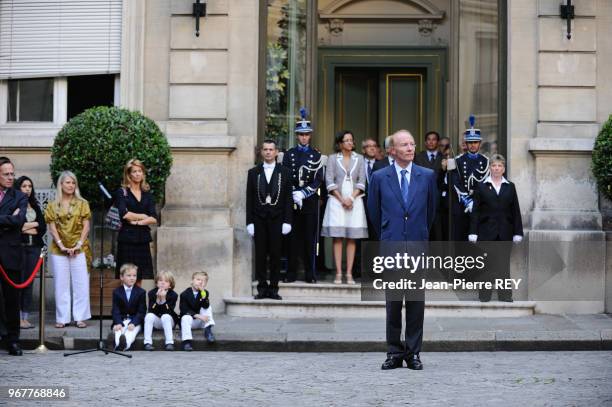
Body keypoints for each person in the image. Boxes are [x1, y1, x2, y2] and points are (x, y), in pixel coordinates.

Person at [367, 130, 437, 370]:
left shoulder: (427, 176)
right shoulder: (379, 177)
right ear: (392, 150)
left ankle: (413, 352)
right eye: (404, 145)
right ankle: (394, 352)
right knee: (394, 303)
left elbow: (431, 212)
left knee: (416, 303)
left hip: (417, 246)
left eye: (412, 143)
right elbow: (374, 214)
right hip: (392, 246)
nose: (410, 148)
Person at [469, 154, 523, 302]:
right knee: (486, 265)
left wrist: (518, 232)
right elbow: (476, 211)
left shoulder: (510, 186)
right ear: (490, 168)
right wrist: (473, 232)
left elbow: (515, 210)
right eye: (494, 165)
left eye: (499, 166)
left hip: (505, 232)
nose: (496, 168)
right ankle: (484, 296)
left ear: (503, 169)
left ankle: (505, 296)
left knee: (503, 265)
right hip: (486, 232)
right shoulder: (481, 186)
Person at [45, 170, 92, 329]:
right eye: (67, 182)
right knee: (61, 284)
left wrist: (78, 245)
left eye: (73, 182)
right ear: (61, 184)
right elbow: (52, 228)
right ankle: (62, 317)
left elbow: (86, 226)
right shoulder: (52, 205)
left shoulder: (83, 203)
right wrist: (62, 246)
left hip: (79, 248)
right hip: (59, 249)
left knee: (81, 283)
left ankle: (80, 317)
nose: (71, 185)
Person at [246, 140, 293, 300]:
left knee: (275, 254)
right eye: (265, 149)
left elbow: (288, 199)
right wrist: (249, 222)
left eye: (271, 149)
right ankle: (261, 288)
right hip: (258, 219)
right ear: (261, 152)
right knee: (260, 255)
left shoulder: (285, 172)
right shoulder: (253, 172)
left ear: (276, 152)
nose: (268, 152)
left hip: (278, 219)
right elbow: (249, 199)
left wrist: (288, 221)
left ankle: (273, 288)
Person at [282, 108, 324, 283]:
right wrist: (294, 193)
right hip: (292, 202)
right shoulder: (289, 154)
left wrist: (304, 193)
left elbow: (318, 179)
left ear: (310, 135)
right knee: (292, 239)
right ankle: (290, 273)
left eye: (307, 134)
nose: (304, 137)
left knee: (309, 239)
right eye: (301, 134)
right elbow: (284, 176)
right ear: (297, 135)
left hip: (309, 202)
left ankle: (310, 273)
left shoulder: (317, 155)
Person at [321, 130, 368, 284]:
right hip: (336, 200)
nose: (350, 142)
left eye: (351, 140)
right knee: (338, 237)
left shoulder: (360, 158)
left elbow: (362, 181)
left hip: (355, 200)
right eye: (346, 140)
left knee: (352, 237)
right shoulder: (333, 158)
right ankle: (339, 274)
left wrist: (351, 198)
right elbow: (329, 180)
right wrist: (342, 199)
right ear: (340, 143)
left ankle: (349, 274)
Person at [0, 157, 27, 356]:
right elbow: (11, 219)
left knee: (12, 300)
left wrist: (12, 219)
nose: (10, 178)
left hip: (10, 253)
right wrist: (8, 219)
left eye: (12, 174)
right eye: (6, 174)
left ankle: (13, 339)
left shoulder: (19, 196)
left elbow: (18, 220)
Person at [115, 159, 158, 282]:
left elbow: (153, 217)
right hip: (127, 239)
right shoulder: (122, 192)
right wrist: (144, 216)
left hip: (143, 239)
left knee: (139, 277)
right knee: (126, 276)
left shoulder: (147, 194)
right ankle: (125, 301)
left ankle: (137, 301)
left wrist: (138, 221)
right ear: (129, 174)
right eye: (135, 171)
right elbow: (124, 214)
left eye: (140, 171)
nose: (138, 174)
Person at [449, 116, 490, 241]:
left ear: (480, 143)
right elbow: (455, 182)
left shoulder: (486, 161)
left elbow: (487, 183)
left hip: (480, 205)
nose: (473, 145)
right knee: (461, 241)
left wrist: (477, 201)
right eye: (470, 142)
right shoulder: (458, 160)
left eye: (475, 142)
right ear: (466, 144)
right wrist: (467, 200)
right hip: (463, 205)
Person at [15, 176, 46, 330]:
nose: (27, 189)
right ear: (18, 188)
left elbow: (42, 227)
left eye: (30, 186)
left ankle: (25, 317)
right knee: (18, 282)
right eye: (24, 186)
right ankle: (16, 317)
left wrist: (26, 225)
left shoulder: (35, 205)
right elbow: (15, 226)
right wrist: (31, 226)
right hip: (19, 247)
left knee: (29, 283)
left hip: (34, 248)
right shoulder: (13, 204)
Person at [414, 131, 445, 241]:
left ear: (438, 142)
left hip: (439, 199)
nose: (431, 142)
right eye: (429, 139)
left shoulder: (444, 157)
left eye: (434, 139)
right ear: (425, 142)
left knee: (438, 231)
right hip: (421, 198)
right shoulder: (417, 157)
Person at [111, 263, 146, 351]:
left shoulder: (141, 292)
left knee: (131, 332)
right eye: (129, 275)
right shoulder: (116, 292)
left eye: (134, 275)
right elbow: (115, 310)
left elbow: (141, 311)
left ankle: (124, 345)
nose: (132, 278)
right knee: (118, 330)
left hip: (134, 321)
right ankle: (117, 344)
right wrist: (118, 322)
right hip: (122, 319)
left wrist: (133, 323)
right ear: (122, 277)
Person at [143, 270, 179, 351]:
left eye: (166, 281)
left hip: (169, 321)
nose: (162, 283)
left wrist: (163, 300)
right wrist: (157, 300)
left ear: (170, 285)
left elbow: (169, 312)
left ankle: (169, 343)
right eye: (160, 280)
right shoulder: (152, 293)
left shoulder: (173, 295)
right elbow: (151, 310)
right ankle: (147, 343)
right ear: (156, 283)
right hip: (157, 321)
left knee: (165, 316)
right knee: (149, 316)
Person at [180, 271, 215, 351]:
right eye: (198, 279)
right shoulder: (184, 294)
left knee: (207, 307)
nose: (200, 282)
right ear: (192, 281)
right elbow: (184, 310)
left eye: (203, 281)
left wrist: (203, 295)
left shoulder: (205, 293)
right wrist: (198, 316)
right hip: (190, 322)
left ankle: (208, 330)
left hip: (201, 322)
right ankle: (187, 341)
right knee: (185, 317)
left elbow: (205, 306)